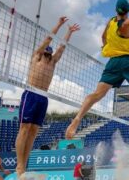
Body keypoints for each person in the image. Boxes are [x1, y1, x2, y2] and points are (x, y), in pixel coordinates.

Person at [65, 0, 129, 139]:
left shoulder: (111, 22)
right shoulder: (125, 25)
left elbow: (103, 37)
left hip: (113, 62)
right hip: (128, 61)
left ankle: (77, 118)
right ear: (127, 12)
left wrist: (106, 47)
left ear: (116, 10)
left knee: (96, 95)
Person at [15, 16, 80, 177]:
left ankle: (26, 163)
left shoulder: (52, 63)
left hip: (43, 97)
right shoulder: (36, 57)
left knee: (34, 130)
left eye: (50, 50)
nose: (49, 51)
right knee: (24, 128)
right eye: (47, 49)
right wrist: (58, 24)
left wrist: (69, 32)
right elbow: (48, 38)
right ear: (44, 51)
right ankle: (19, 166)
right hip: (31, 93)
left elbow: (62, 48)